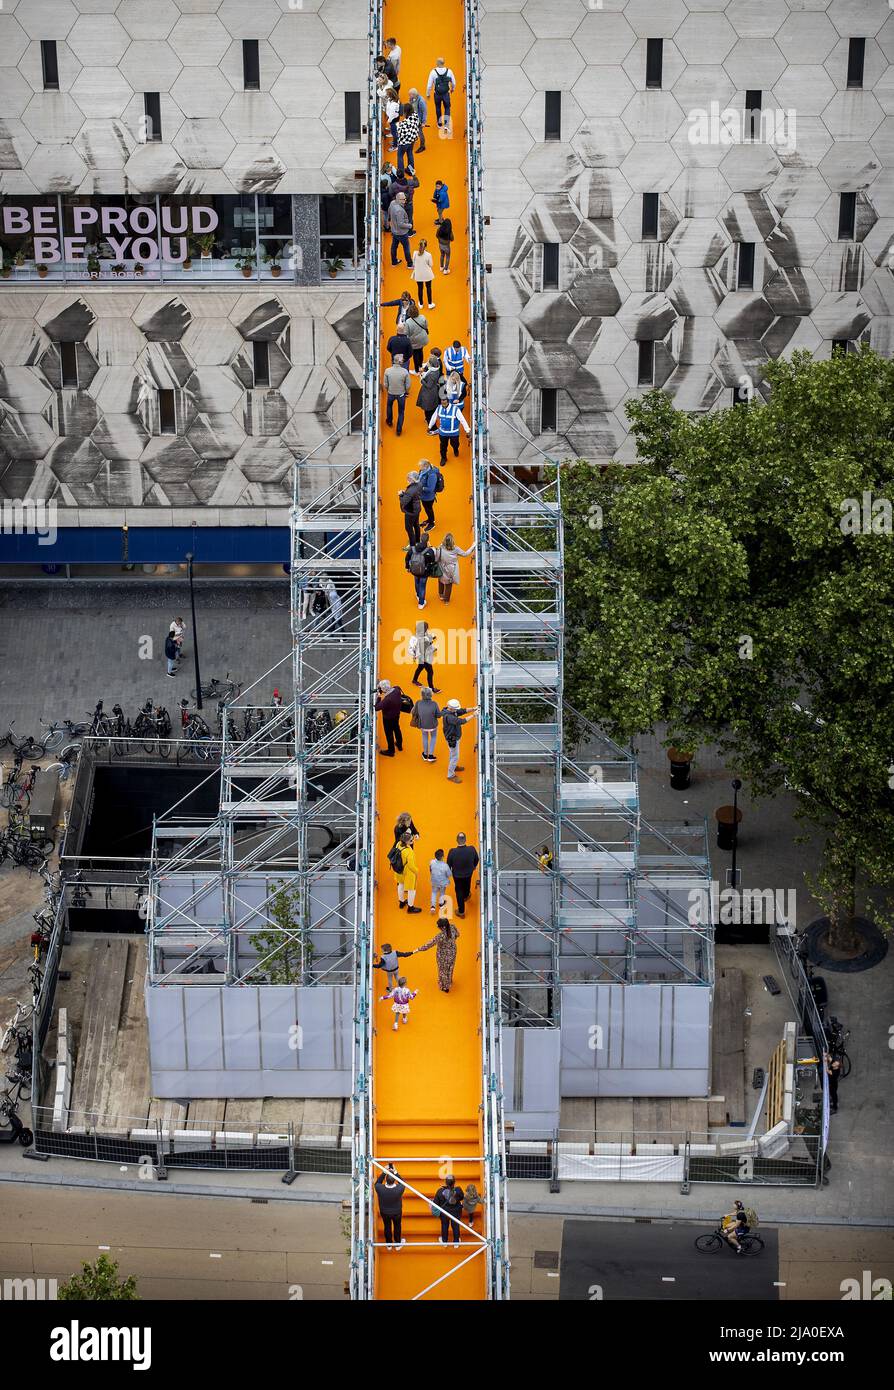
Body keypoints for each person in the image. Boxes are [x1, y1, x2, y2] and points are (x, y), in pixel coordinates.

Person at [415, 916, 460, 993]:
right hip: (452, 952)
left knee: (442, 971)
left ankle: (445, 987)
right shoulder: (452, 927)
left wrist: (419, 949)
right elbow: (458, 934)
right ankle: (450, 980)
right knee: (450, 967)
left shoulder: (440, 936)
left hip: (443, 956)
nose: (437, 926)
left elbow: (429, 944)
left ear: (442, 927)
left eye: (438, 925)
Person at [441, 700, 477, 784]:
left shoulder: (450, 710)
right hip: (453, 739)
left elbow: (461, 711)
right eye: (455, 709)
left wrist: (473, 709)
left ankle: (453, 767)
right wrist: (473, 715)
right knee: (455, 756)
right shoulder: (449, 717)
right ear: (452, 708)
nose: (457, 710)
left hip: (453, 737)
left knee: (452, 754)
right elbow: (461, 721)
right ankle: (450, 775)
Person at [433, 532, 474, 605]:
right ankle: (446, 601)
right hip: (452, 569)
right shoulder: (456, 549)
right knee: (449, 584)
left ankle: (441, 595)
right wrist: (473, 546)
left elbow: (436, 558)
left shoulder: (440, 548)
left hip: (442, 567)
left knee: (440, 580)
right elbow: (465, 554)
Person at [447, 832, 479, 918]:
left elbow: (448, 865)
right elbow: (477, 859)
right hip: (469, 873)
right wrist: (473, 867)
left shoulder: (452, 852)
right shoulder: (472, 849)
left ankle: (461, 911)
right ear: (465, 840)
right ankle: (466, 895)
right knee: (467, 884)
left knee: (459, 890)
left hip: (457, 875)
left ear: (457, 840)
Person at [375, 1164, 406, 1250]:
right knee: (397, 1227)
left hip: (384, 1212)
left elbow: (377, 1182)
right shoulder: (399, 1188)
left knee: (387, 1227)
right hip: (397, 1212)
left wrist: (384, 1172)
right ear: (394, 1181)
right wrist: (395, 1172)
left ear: (386, 1180)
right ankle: (398, 1243)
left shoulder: (379, 1188)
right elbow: (402, 1182)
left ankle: (389, 1244)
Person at [375, 677, 404, 756]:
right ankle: (399, 745)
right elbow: (396, 687)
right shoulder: (397, 690)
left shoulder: (387, 699)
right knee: (397, 729)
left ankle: (391, 751)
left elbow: (377, 708)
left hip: (388, 718)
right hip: (396, 714)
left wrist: (379, 696)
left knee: (389, 734)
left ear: (383, 689)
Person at [411, 686, 441, 764]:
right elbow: (438, 715)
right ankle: (430, 755)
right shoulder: (434, 704)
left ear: (422, 694)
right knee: (433, 737)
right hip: (433, 725)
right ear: (431, 694)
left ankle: (425, 754)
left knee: (424, 737)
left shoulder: (418, 702)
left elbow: (413, 712)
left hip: (422, 724)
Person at [383, 354, 411, 436]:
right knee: (401, 412)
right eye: (402, 360)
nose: (403, 360)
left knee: (389, 406)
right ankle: (399, 430)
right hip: (401, 394)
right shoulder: (405, 371)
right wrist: (406, 392)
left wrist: (388, 390)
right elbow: (408, 385)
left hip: (391, 393)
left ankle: (389, 421)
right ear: (399, 362)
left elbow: (385, 384)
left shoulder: (387, 371)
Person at [426, 58, 456, 133]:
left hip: (437, 94)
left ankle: (439, 123)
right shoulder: (449, 71)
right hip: (446, 94)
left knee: (438, 107)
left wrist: (428, 94)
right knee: (447, 108)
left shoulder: (433, 72)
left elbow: (429, 85)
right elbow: (454, 82)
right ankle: (446, 125)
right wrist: (452, 89)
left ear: (438, 63)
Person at [394, 831, 421, 914]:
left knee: (400, 885)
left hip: (399, 870)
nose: (413, 841)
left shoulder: (398, 844)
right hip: (408, 873)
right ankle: (410, 907)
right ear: (406, 842)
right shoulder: (409, 851)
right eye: (411, 840)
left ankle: (401, 902)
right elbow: (411, 866)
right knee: (411, 889)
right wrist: (416, 871)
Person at [433, 1174, 464, 1245]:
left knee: (444, 1225)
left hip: (444, 1212)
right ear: (454, 1182)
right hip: (456, 1211)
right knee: (455, 1226)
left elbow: (436, 1203)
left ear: (445, 1182)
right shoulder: (458, 1190)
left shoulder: (440, 1191)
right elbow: (462, 1197)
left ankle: (444, 1241)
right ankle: (456, 1242)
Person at [409, 620, 439, 691]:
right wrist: (432, 644)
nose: (428, 629)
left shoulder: (419, 635)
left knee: (420, 667)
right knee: (430, 672)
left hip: (421, 656)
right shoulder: (420, 639)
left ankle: (414, 680)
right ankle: (432, 688)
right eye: (427, 628)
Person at [395, 102, 422, 178]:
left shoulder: (404, 123)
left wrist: (398, 125)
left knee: (400, 157)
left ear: (405, 112)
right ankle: (411, 170)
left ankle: (401, 174)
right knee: (410, 154)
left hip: (404, 143)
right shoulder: (416, 115)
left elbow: (400, 132)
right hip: (412, 140)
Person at [405, 536, 433, 609]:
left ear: (420, 539)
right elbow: (432, 560)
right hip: (424, 572)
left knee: (416, 582)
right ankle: (421, 603)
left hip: (414, 570)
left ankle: (418, 595)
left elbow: (407, 557)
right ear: (427, 540)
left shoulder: (413, 549)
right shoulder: (429, 551)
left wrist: (407, 567)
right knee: (422, 586)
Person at [417, 457, 444, 532]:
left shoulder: (431, 475)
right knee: (427, 509)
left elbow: (430, 489)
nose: (419, 468)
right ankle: (429, 519)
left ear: (425, 466)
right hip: (423, 496)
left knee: (428, 509)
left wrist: (420, 487)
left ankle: (432, 523)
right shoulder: (424, 471)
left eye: (420, 466)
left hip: (428, 497)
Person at [416, 355, 445, 423]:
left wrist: (421, 379)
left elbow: (429, 385)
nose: (427, 363)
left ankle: (430, 422)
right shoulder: (435, 369)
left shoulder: (432, 374)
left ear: (431, 364)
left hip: (429, 393)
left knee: (428, 409)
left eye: (428, 362)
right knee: (431, 408)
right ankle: (430, 420)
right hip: (433, 390)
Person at [404, 301, 430, 374]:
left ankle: (416, 370)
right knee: (421, 351)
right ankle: (420, 365)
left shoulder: (408, 322)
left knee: (415, 354)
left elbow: (406, 333)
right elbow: (426, 326)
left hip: (414, 341)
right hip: (422, 338)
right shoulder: (422, 317)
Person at [388, 193, 413, 269]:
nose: (405, 201)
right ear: (398, 199)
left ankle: (394, 262)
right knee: (406, 248)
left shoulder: (392, 203)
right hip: (401, 233)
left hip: (394, 230)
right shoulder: (399, 210)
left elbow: (389, 212)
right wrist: (409, 226)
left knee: (394, 247)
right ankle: (409, 264)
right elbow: (400, 224)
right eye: (403, 199)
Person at [399, 471, 423, 547]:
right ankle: (417, 541)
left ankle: (412, 545)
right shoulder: (419, 484)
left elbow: (403, 501)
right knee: (416, 525)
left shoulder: (410, 490)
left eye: (408, 478)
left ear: (412, 479)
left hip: (410, 511)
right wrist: (405, 494)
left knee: (408, 528)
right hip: (417, 508)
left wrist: (400, 495)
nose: (407, 479)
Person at [411, 239, 435, 309]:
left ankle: (421, 304)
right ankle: (430, 304)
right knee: (429, 288)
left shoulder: (415, 253)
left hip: (418, 274)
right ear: (426, 246)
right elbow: (431, 265)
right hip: (427, 274)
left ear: (419, 245)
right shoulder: (428, 255)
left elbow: (413, 263)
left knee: (420, 288)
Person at [407, 87, 428, 153]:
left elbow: (424, 112)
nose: (409, 96)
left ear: (414, 94)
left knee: (420, 133)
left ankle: (422, 146)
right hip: (413, 118)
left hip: (419, 120)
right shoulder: (412, 98)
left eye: (410, 94)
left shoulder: (421, 101)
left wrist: (424, 122)